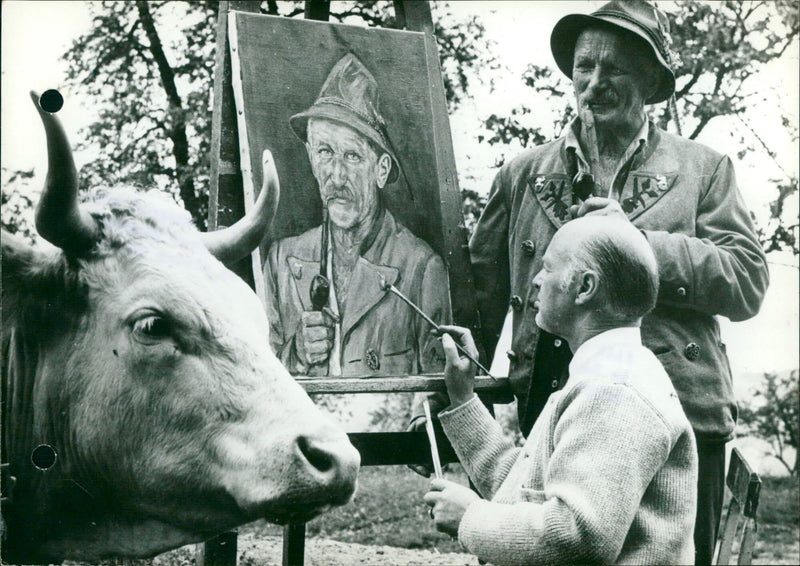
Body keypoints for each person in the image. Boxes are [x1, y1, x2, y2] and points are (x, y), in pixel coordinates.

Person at [467, 2, 769, 562]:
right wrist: (454, 400)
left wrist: (637, 243)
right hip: (552, 414)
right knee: (554, 552)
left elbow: (748, 279)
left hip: (680, 425)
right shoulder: (522, 176)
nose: (595, 82)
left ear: (652, 81)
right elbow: (478, 300)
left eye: (616, 69)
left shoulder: (704, 169)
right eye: (585, 66)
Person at [424, 216, 698, 565]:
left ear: (585, 287)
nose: (535, 281)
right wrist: (463, 399)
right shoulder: (606, 373)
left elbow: (578, 537)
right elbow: (525, 490)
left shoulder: (614, 391)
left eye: (547, 268)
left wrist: (469, 517)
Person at [263, 53, 450, 377]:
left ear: (381, 169)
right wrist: (296, 354)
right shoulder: (282, 262)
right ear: (310, 157)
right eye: (324, 152)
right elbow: (252, 383)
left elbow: (440, 397)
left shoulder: (421, 268)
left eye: (351, 156)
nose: (336, 177)